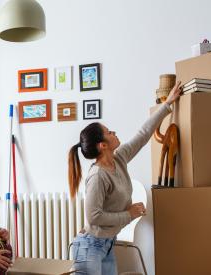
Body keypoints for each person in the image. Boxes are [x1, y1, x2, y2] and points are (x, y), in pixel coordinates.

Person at [67, 81, 182, 275]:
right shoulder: (97, 176)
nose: (114, 133)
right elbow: (93, 216)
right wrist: (129, 214)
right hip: (90, 247)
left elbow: (143, 134)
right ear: (102, 145)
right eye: (109, 132)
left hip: (107, 244)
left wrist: (167, 104)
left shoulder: (119, 158)